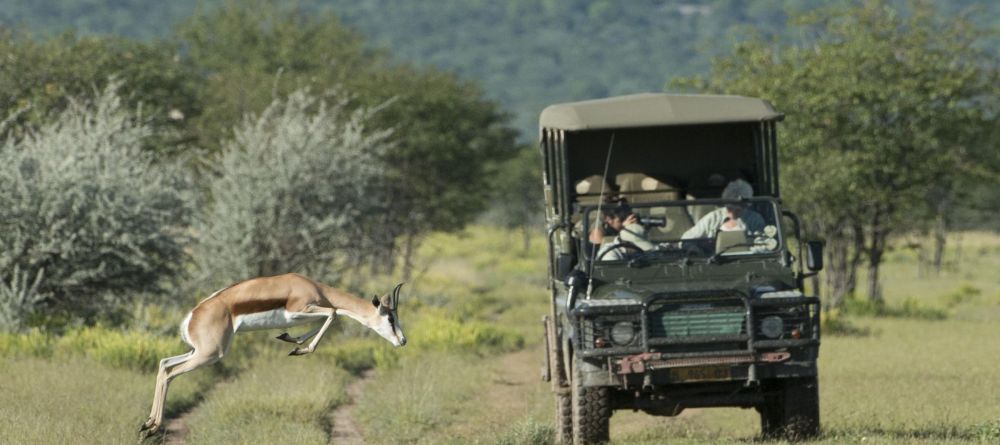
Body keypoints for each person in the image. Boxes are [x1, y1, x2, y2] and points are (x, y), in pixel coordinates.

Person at [682, 179, 765, 239]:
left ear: (746, 205)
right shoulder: (713, 218)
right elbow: (686, 238)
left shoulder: (755, 219)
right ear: (725, 203)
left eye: (740, 206)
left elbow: (762, 242)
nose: (734, 210)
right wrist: (694, 248)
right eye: (731, 206)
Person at [588, 200, 654, 261]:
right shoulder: (598, 232)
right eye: (622, 218)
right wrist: (625, 229)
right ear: (609, 219)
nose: (627, 221)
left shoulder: (617, 230)